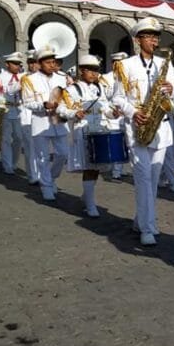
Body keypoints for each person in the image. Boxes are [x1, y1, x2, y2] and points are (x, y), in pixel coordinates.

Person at [112, 17, 174, 246]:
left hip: (160, 128)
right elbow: (118, 98)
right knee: (142, 178)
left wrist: (172, 90)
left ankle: (140, 220)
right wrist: (133, 112)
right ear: (138, 39)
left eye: (156, 36)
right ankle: (148, 228)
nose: (154, 40)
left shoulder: (166, 64)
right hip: (137, 127)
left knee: (152, 179)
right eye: (149, 36)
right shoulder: (125, 65)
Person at [59, 55, 121, 217]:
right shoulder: (71, 90)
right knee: (88, 168)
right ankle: (90, 205)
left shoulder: (99, 89)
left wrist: (113, 113)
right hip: (82, 131)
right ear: (81, 71)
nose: (94, 74)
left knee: (96, 169)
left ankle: (87, 197)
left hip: (99, 130)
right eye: (90, 70)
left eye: (96, 71)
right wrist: (74, 113)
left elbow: (106, 109)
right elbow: (61, 109)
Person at [21, 45, 70, 201]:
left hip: (59, 122)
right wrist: (43, 105)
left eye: (53, 62)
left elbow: (67, 98)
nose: (52, 65)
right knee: (42, 157)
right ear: (39, 63)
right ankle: (46, 186)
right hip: (41, 122)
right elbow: (27, 102)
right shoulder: (29, 80)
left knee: (63, 154)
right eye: (48, 62)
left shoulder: (61, 78)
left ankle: (51, 178)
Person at [0, 52, 26, 175]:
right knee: (6, 139)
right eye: (15, 64)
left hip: (19, 110)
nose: (17, 66)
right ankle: (7, 165)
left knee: (19, 138)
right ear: (7, 64)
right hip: (6, 109)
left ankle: (13, 163)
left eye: (19, 64)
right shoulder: (0, 77)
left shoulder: (23, 76)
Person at [103, 52, 130, 180]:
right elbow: (105, 96)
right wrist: (115, 86)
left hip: (126, 114)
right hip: (113, 114)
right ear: (113, 64)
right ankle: (115, 170)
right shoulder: (106, 78)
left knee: (127, 142)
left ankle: (120, 167)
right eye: (119, 63)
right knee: (116, 141)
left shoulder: (128, 76)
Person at [22, 50, 40, 184]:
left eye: (35, 62)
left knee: (41, 148)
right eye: (30, 62)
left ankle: (41, 174)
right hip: (26, 115)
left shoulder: (44, 78)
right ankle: (33, 175)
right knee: (30, 147)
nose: (33, 65)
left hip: (40, 117)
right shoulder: (22, 77)